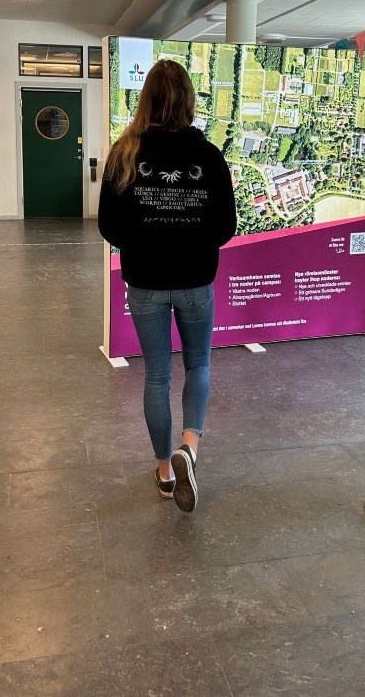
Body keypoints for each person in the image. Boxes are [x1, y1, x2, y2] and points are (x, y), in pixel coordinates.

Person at [99, 59, 236, 513]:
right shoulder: (210, 156)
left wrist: (146, 241)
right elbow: (225, 226)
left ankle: (164, 469)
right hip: (197, 280)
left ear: (146, 100)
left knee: (156, 375)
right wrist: (190, 240)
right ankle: (189, 448)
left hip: (145, 282)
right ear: (189, 102)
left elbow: (109, 226)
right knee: (198, 365)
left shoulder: (125, 153)